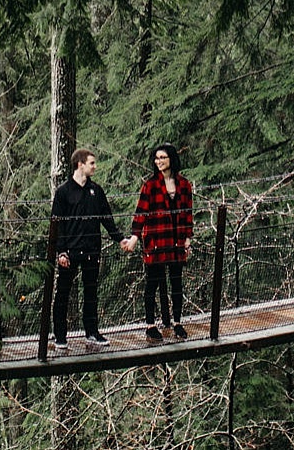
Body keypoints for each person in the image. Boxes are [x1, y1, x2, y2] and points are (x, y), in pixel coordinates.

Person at [50, 147, 132, 346]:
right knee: (62, 294)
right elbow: (57, 224)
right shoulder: (63, 192)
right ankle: (60, 336)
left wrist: (120, 239)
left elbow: (106, 218)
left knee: (91, 292)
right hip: (69, 252)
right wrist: (60, 251)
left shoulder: (96, 191)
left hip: (91, 250)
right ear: (80, 164)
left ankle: (92, 332)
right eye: (92, 163)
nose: (95, 167)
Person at [130, 143, 194, 341]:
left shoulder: (184, 184)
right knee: (152, 283)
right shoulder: (150, 186)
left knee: (176, 283)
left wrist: (188, 237)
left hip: (176, 240)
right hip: (156, 240)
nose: (159, 161)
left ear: (171, 159)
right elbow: (141, 212)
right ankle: (150, 325)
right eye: (156, 158)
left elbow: (187, 213)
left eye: (163, 158)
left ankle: (177, 323)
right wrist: (134, 236)